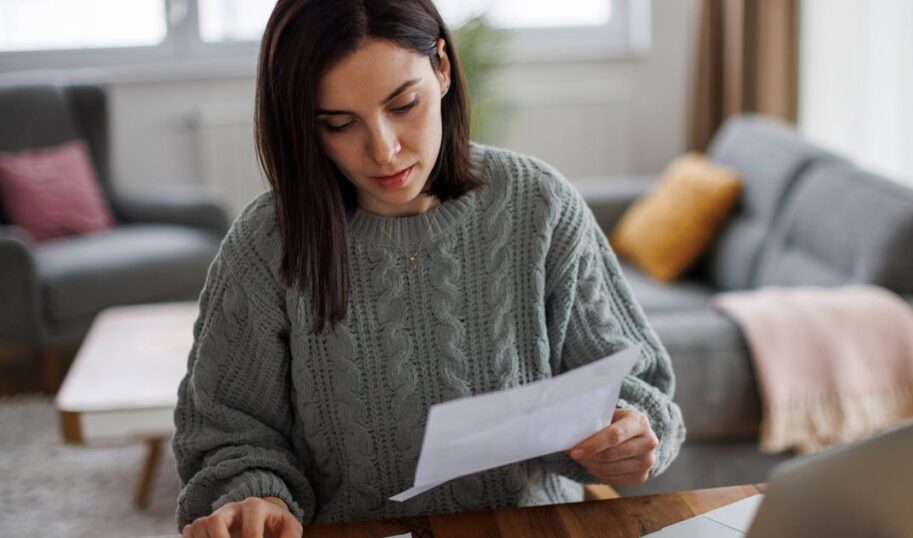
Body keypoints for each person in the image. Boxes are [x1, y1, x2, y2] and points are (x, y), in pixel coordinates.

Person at [173, 0, 685, 536]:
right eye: (340, 124)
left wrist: (628, 433)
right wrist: (257, 498)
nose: (384, 151)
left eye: (404, 104)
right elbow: (226, 433)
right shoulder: (267, 244)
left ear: (441, 67)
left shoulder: (539, 205)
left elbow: (640, 383)